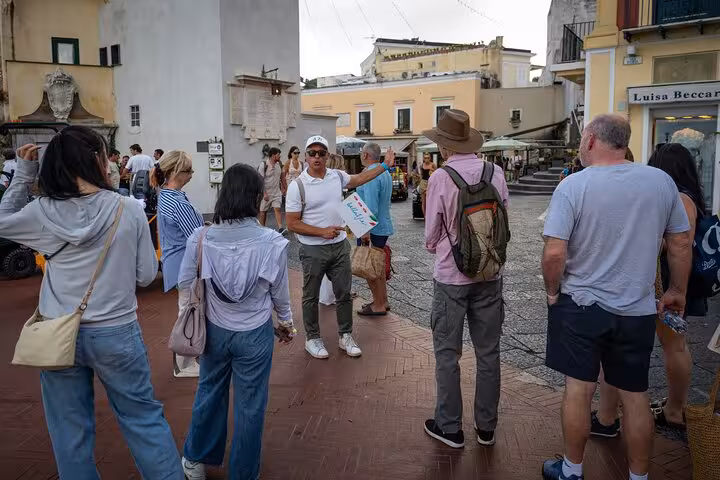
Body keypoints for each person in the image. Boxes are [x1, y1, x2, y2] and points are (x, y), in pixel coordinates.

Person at [0, 127, 183, 479]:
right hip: (116, 331)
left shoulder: (41, 212)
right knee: (143, 419)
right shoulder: (128, 209)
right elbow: (146, 275)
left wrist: (23, 175)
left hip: (57, 331)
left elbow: (3, 219)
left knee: (69, 430)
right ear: (98, 161)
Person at [541, 114, 692, 480]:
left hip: (581, 305)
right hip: (637, 308)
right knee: (635, 393)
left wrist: (551, 290)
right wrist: (676, 290)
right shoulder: (660, 182)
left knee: (579, 390)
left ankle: (572, 470)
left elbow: (554, 253)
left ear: (591, 140)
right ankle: (638, 477)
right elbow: (680, 242)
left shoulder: (574, 186)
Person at [179, 163, 294, 480]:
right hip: (255, 333)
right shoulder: (271, 241)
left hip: (214, 329)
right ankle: (243, 472)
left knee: (209, 391)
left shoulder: (200, 237)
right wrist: (286, 323)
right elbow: (280, 295)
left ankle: (195, 459)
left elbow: (185, 283)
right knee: (251, 405)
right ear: (255, 197)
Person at [593, 143, 707, 436]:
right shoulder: (686, 195)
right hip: (671, 280)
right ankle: (671, 407)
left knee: (672, 346)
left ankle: (672, 409)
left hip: (668, 282)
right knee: (673, 345)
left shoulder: (680, 199)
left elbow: (679, 242)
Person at [421, 109, 509, 449]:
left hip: (450, 279)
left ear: (444, 146)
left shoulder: (441, 178)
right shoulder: (496, 172)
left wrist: (442, 244)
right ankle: (486, 428)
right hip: (490, 273)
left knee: (447, 354)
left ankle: (450, 427)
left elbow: (431, 237)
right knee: (489, 353)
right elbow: (505, 219)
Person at [285, 135, 395, 360]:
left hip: (339, 246)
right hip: (313, 249)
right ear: (306, 156)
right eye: (312, 153)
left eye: (321, 153)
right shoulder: (297, 186)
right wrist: (321, 232)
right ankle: (312, 339)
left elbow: (360, 179)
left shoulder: (336, 176)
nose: (317, 157)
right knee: (310, 296)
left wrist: (384, 166)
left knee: (343, 294)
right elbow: (292, 223)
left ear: (327, 156)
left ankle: (345, 336)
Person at [151, 150, 204, 378]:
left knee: (186, 309)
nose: (191, 174)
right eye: (188, 170)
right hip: (186, 263)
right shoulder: (177, 200)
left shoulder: (166, 195)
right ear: (175, 172)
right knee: (189, 311)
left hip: (176, 262)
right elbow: (197, 235)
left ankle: (185, 359)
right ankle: (184, 362)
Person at [355, 142, 393, 316]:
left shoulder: (370, 174)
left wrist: (365, 231)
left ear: (365, 155)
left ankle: (378, 304)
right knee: (378, 267)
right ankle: (382, 300)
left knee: (370, 267)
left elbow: (371, 206)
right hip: (382, 225)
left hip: (372, 227)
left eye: (361, 153)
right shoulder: (384, 172)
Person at [258, 146, 286, 233]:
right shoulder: (264, 165)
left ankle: (280, 227)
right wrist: (264, 193)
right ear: (273, 155)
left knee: (277, 209)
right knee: (263, 211)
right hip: (266, 192)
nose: (280, 157)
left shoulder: (279, 164)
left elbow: (282, 177)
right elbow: (260, 180)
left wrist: (284, 188)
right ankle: (262, 228)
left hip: (276, 192)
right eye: (278, 155)